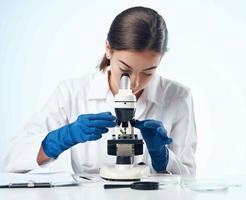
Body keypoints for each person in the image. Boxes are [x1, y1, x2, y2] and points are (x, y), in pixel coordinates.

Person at [1, 6, 197, 175]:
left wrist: (163, 158)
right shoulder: (72, 92)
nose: (135, 83)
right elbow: (10, 159)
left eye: (148, 72)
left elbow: (188, 177)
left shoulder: (179, 97)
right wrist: (60, 138)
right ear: (108, 49)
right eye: (126, 71)